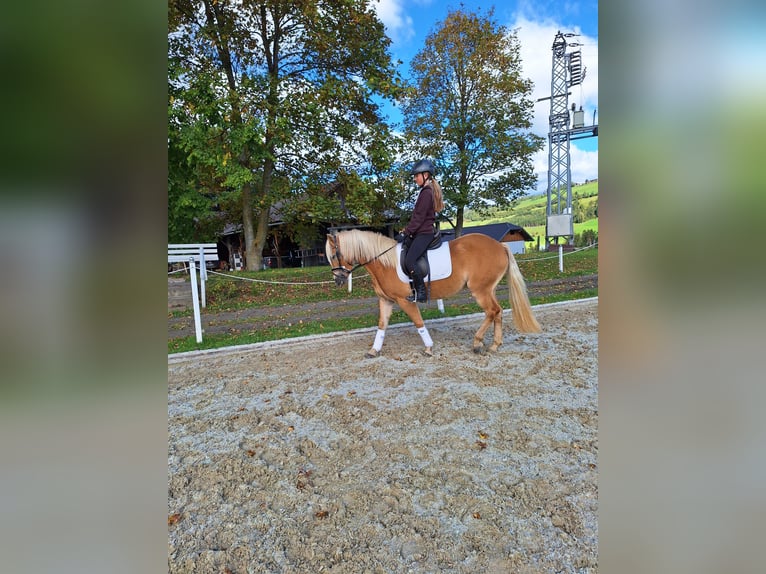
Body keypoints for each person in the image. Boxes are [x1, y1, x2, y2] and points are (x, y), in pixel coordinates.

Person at [396, 159, 445, 303]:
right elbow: (417, 218)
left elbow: (418, 218)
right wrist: (408, 231)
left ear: (426, 175)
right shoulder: (426, 191)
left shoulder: (426, 192)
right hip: (421, 231)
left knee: (410, 260)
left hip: (425, 233)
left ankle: (421, 292)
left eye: (417, 175)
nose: (415, 178)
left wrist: (406, 233)